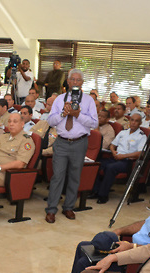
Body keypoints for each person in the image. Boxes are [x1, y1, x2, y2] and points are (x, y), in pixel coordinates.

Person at [66, 164, 150, 273]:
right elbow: (145, 224)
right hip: (128, 247)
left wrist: (131, 247)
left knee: (85, 262)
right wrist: (119, 230)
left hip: (136, 261)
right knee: (83, 246)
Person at [45, 69, 99, 223]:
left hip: (79, 143)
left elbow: (94, 123)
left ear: (82, 83)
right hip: (61, 142)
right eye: (72, 80)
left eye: (78, 80)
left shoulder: (88, 101)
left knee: (75, 176)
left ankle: (69, 207)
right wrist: (63, 113)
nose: (75, 82)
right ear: (67, 82)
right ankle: (51, 209)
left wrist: (78, 115)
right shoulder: (59, 99)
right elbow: (51, 121)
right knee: (58, 176)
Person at [91, 113, 147, 204]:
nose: (133, 123)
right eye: (132, 120)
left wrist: (123, 156)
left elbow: (141, 153)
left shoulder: (142, 136)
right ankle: (95, 191)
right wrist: (113, 152)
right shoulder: (123, 132)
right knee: (97, 164)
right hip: (116, 157)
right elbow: (113, 145)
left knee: (110, 168)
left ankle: (103, 195)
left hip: (127, 161)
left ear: (140, 123)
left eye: (136, 121)